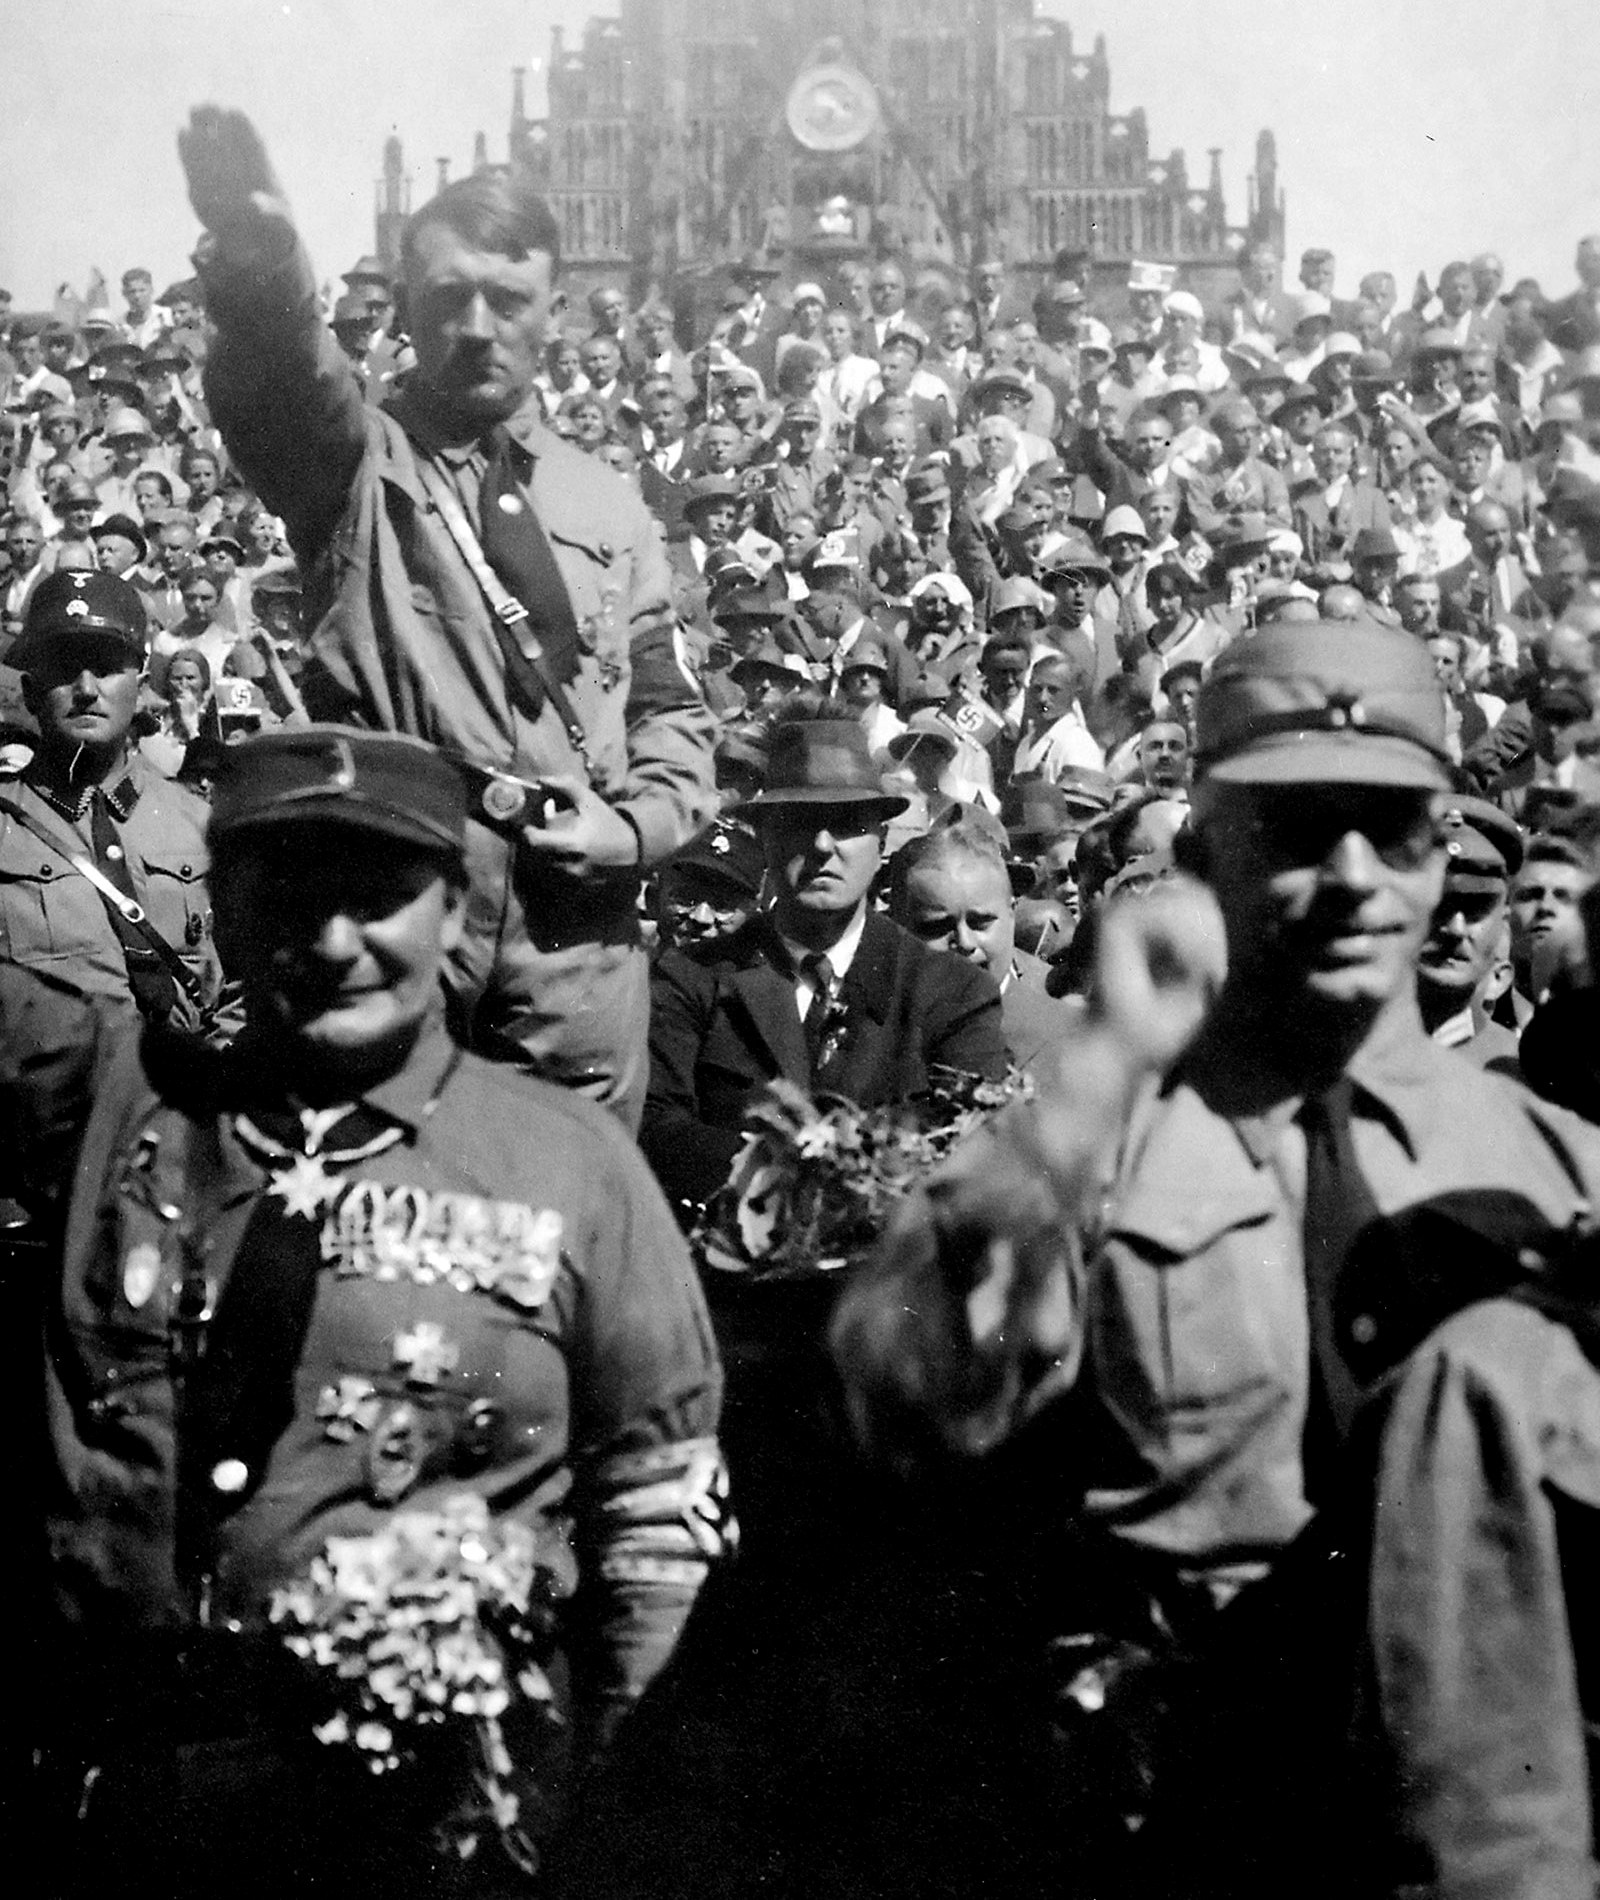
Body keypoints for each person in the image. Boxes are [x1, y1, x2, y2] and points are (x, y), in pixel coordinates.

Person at [832, 617, 1600, 1897]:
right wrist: (1100, 1065)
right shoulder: (1096, 1131)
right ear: (1207, 849)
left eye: (1394, 827)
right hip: (1169, 1812)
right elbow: (893, 1397)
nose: (1353, 875)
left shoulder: (1555, 1162)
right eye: (1297, 830)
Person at [35, 725, 729, 1899]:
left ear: (456, 911)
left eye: (381, 896)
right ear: (228, 904)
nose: (336, 940)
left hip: (438, 1824)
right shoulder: (122, 1099)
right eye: (288, 893)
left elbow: (658, 1513)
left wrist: (593, 1798)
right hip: (135, 1799)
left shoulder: (569, 1165)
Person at [178, 105, 715, 1131]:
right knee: (369, 1185)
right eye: (448, 297)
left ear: (555, 309)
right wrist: (261, 266)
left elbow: (667, 704)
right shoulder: (355, 462)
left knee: (566, 1204)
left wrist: (633, 825)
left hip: (574, 934)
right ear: (406, 314)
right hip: (396, 896)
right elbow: (285, 379)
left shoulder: (611, 501)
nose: (477, 326)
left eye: (508, 299)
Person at [640, 704, 1008, 1216]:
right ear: (765, 839)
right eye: (799, 823)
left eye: (847, 824)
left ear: (881, 841)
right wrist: (779, 1180)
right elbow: (655, 1122)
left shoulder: (949, 991)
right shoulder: (695, 978)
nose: (822, 845)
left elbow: (977, 1146)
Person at [0, 570, 221, 1042]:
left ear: (140, 686)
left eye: (104, 668)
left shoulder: (200, 823)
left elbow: (243, 984)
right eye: (64, 669)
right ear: (33, 694)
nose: (85, 689)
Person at [890, 817, 1073, 1071]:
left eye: (980, 922)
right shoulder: (874, 1033)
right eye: (937, 927)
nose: (965, 942)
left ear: (1011, 914)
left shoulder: (1066, 1035)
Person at [1414, 793, 1523, 1073]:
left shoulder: (1519, 1072)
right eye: (1439, 906)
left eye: (1476, 910)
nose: (1456, 929)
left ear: (1504, 925)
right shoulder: (1333, 1057)